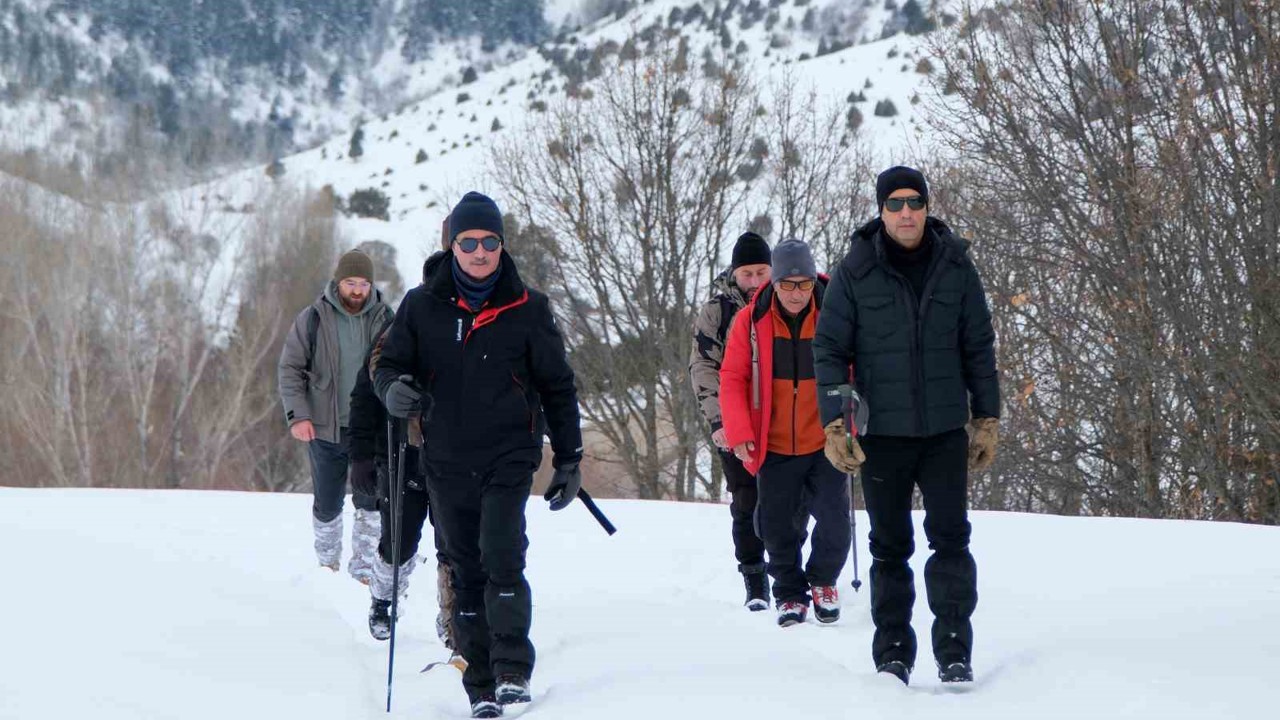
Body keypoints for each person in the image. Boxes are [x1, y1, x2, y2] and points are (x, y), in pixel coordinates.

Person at [374, 191, 584, 719]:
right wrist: (393, 388)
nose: (480, 251)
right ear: (453, 246)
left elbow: (558, 386)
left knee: (502, 553)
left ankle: (513, 669)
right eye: (469, 242)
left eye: (490, 241)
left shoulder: (528, 308)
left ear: (501, 245)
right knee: (465, 566)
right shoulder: (421, 306)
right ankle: (481, 684)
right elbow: (387, 365)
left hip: (510, 454)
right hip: (444, 457)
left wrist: (569, 457)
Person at [813, 166, 1000, 685]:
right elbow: (829, 349)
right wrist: (835, 422)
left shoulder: (956, 266)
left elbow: (978, 346)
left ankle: (955, 651)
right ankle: (893, 652)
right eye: (894, 203)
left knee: (951, 540)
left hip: (942, 431)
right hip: (882, 437)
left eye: (914, 202)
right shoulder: (855, 270)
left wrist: (986, 416)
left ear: (926, 206)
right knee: (889, 547)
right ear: (881, 210)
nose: (905, 213)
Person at [719, 239, 852, 628]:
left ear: (814, 281)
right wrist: (740, 431)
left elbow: (856, 371)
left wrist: (855, 421)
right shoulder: (751, 319)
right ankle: (790, 594)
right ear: (774, 282)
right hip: (773, 441)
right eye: (788, 284)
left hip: (824, 439)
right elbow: (732, 377)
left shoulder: (835, 312)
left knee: (836, 521)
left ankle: (823, 581)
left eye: (804, 284)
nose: (796, 293)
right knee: (775, 525)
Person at [278, 249, 394, 582]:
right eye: (350, 282)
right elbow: (290, 368)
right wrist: (298, 415)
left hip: (370, 431)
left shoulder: (387, 319)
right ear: (337, 282)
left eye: (363, 283)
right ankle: (327, 566)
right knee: (327, 504)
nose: (357, 290)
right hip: (324, 429)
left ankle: (364, 571)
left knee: (371, 502)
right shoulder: (313, 318)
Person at [689, 231, 775, 610]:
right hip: (735, 418)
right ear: (735, 273)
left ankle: (791, 572)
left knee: (791, 499)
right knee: (746, 499)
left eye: (761, 273)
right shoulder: (717, 311)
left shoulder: (789, 298)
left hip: (782, 416)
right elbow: (703, 366)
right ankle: (754, 578)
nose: (754, 282)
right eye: (747, 274)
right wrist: (719, 423)